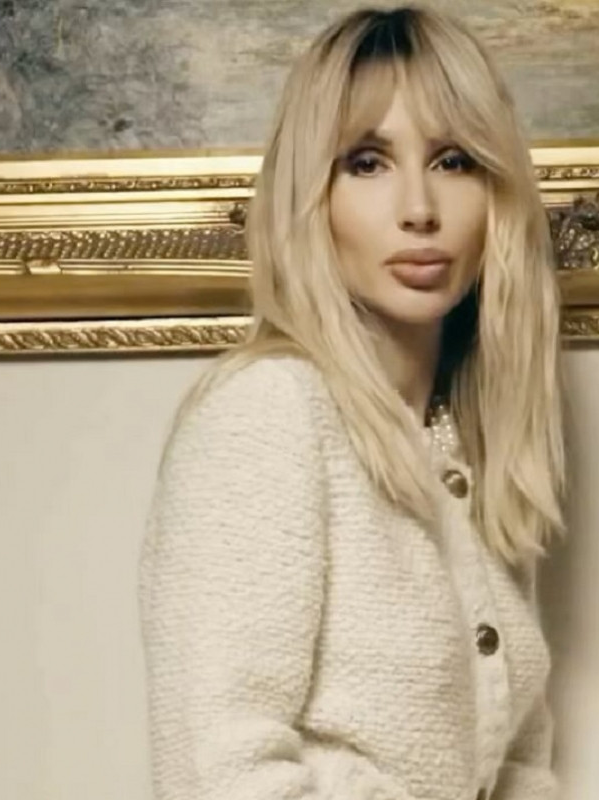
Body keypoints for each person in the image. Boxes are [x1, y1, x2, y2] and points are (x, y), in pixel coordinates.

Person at [138, 6, 566, 800]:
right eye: (367, 163)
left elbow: (519, 765)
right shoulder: (268, 413)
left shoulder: (474, 447)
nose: (419, 208)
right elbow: (215, 775)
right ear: (312, 196)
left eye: (454, 161)